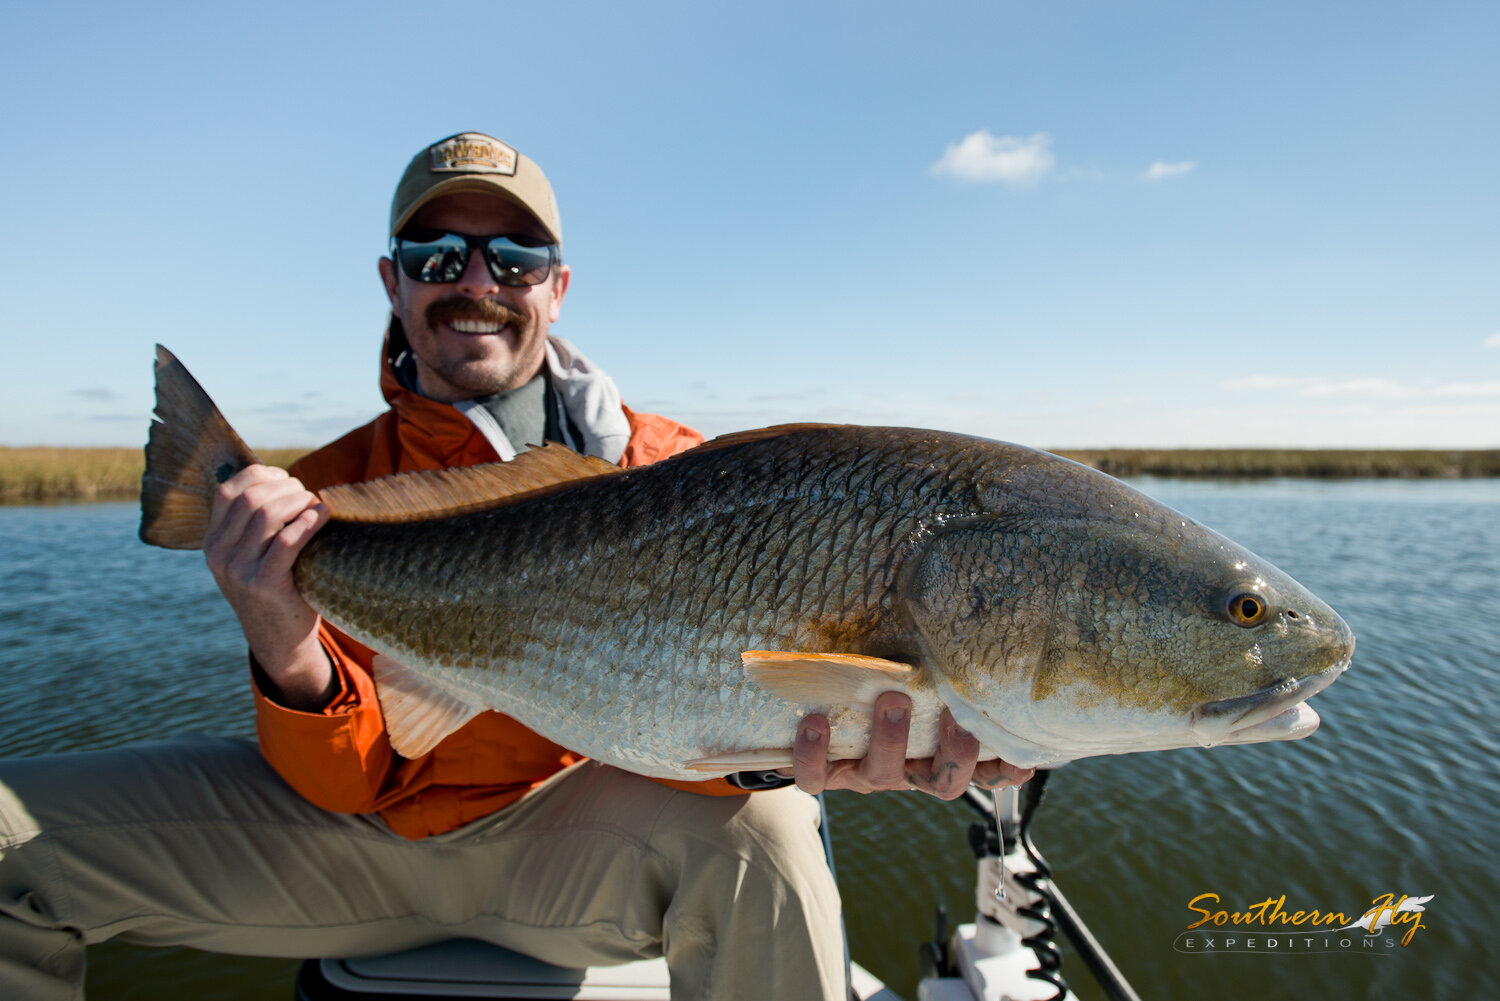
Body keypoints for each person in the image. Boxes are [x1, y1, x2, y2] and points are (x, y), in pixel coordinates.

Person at [0, 132, 1030, 1001]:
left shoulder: (679, 472)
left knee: (773, 826)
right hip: (351, 847)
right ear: (392, 279)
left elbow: (715, 730)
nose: (478, 282)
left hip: (577, 842)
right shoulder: (323, 498)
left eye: (515, 256)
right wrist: (282, 631)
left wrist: (832, 748)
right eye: (437, 254)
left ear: (559, 284)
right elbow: (355, 776)